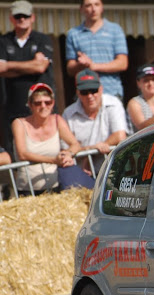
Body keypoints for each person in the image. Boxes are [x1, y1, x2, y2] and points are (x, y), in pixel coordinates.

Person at [0, 1, 54, 157]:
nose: (21, 19)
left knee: (45, 148)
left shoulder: (43, 39)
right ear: (11, 18)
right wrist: (31, 65)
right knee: (15, 153)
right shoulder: (3, 41)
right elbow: (1, 69)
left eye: (25, 16)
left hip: (42, 108)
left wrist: (9, 66)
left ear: (33, 18)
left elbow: (40, 67)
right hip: (12, 108)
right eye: (18, 16)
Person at [12, 83, 88, 193]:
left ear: (53, 103)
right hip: (27, 190)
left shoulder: (57, 120)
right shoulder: (19, 123)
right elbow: (22, 154)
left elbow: (75, 144)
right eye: (38, 103)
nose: (43, 106)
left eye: (47, 102)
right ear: (30, 104)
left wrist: (68, 154)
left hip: (55, 187)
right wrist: (53, 160)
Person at [62, 69, 127, 177]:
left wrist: (89, 155)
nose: (90, 96)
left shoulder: (114, 103)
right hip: (83, 175)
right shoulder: (68, 114)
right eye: (84, 92)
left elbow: (120, 136)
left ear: (101, 89)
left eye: (93, 90)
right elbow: (66, 150)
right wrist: (92, 150)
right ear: (78, 92)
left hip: (113, 171)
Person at [65, 0, 128, 99]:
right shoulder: (73, 34)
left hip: (111, 92)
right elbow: (70, 69)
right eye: (88, 5)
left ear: (102, 7)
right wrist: (80, 65)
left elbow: (122, 63)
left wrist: (94, 66)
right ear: (81, 9)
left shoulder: (115, 30)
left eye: (96, 4)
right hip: (85, 93)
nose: (93, 9)